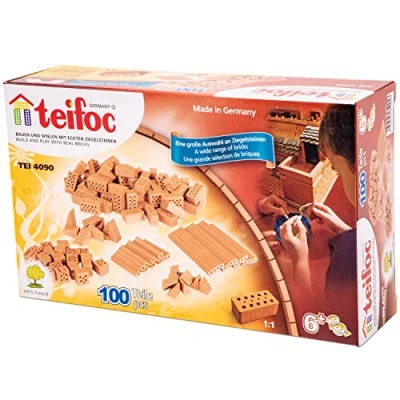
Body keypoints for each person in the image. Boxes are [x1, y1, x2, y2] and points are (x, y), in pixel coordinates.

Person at [279, 104, 356, 298]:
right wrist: (344, 230)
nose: (336, 174)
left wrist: (299, 261)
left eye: (337, 170)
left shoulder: (344, 258)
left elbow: (316, 310)